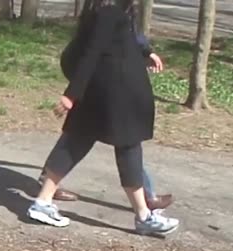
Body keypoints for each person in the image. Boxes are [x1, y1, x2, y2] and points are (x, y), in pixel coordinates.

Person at [26, 0, 179, 237]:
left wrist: (142, 53)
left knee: (77, 143)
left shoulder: (117, 11)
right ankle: (143, 216)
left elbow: (118, 45)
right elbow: (91, 53)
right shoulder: (108, 12)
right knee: (124, 148)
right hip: (111, 96)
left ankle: (43, 202)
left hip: (110, 93)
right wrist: (71, 95)